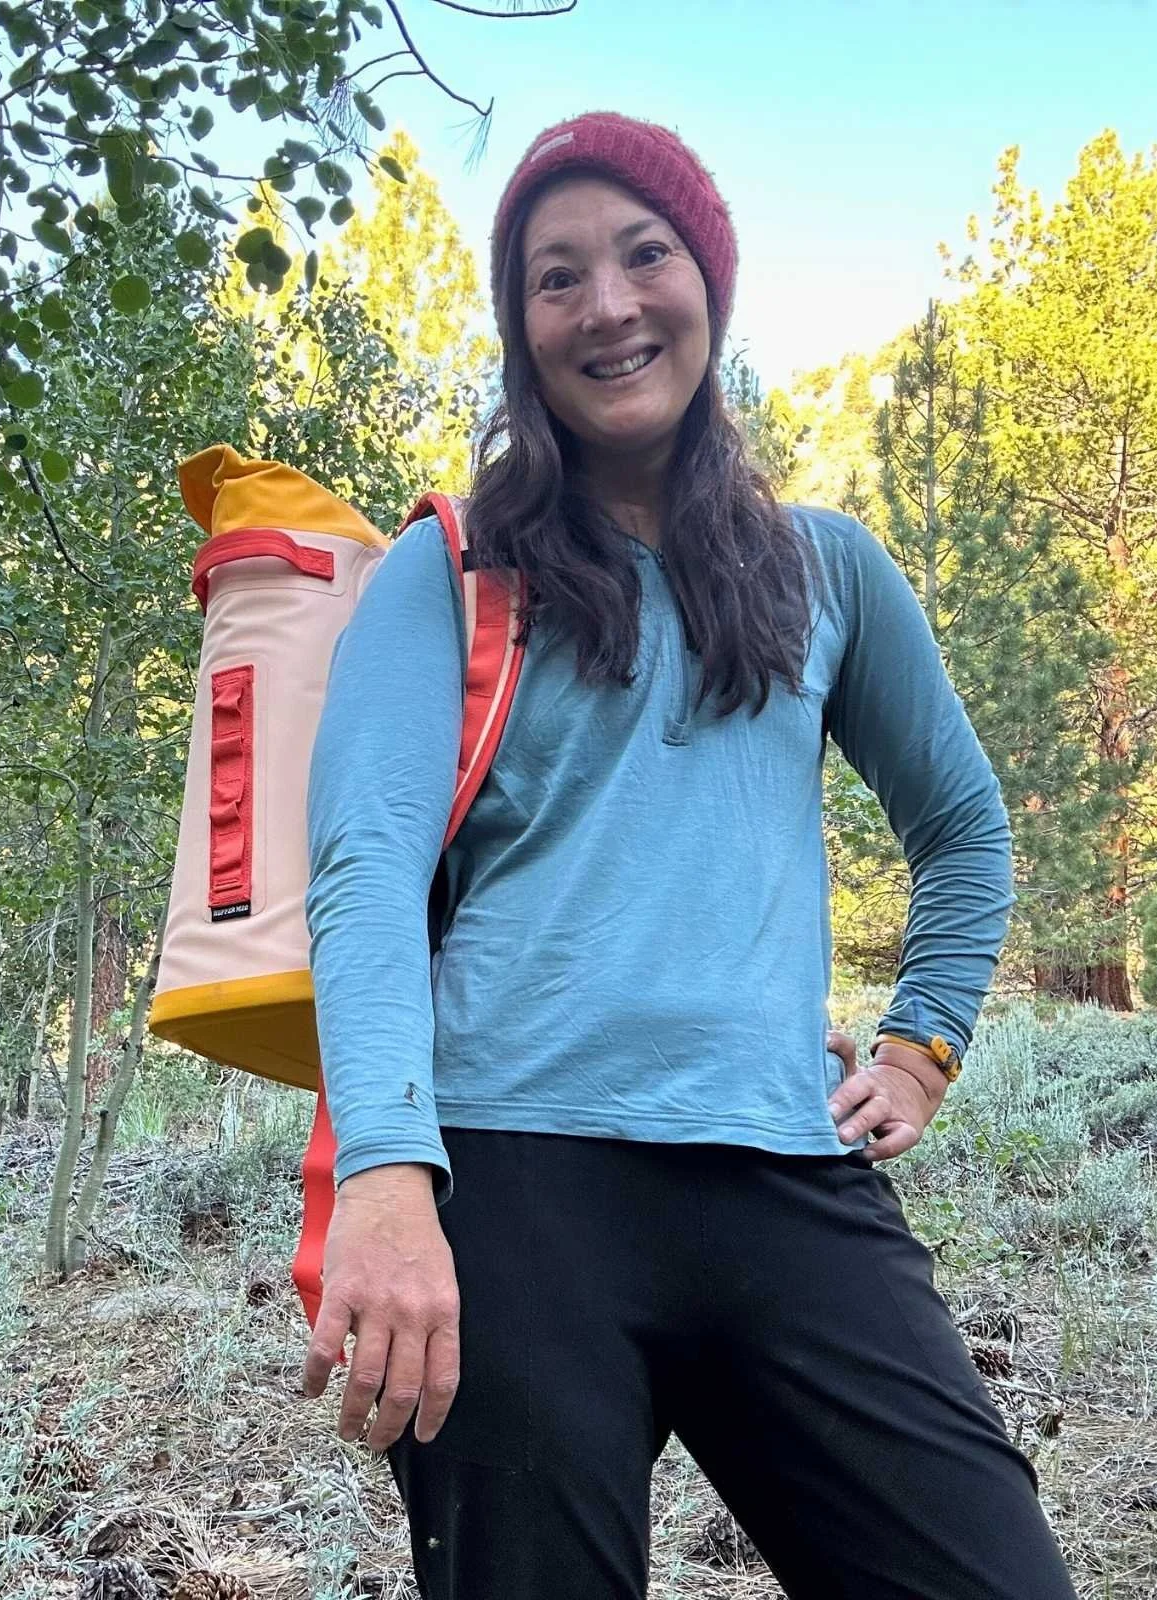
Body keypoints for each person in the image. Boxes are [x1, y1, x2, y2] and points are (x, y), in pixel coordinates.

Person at [299, 111, 1079, 1600]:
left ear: (706, 281)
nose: (608, 305)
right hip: (510, 1186)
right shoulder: (453, 565)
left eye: (644, 254)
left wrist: (921, 1047)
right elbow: (367, 874)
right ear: (522, 330)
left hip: (784, 1173)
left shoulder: (826, 567)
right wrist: (389, 1187)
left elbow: (964, 828)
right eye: (555, 275)